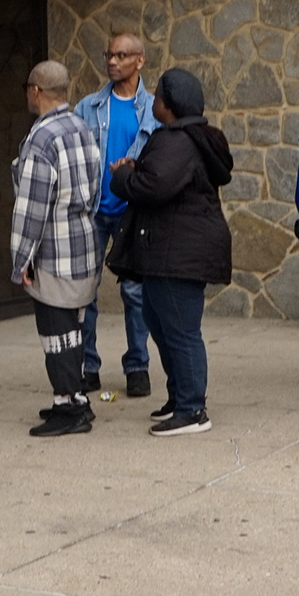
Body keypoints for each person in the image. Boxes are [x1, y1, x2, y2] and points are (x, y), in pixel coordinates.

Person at [108, 68, 233, 436]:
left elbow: (155, 185)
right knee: (159, 321)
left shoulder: (177, 140)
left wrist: (121, 176)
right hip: (170, 248)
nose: (154, 103)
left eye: (158, 97)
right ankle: (180, 396)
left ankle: (193, 409)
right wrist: (136, 168)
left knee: (180, 330)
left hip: (179, 254)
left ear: (171, 104)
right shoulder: (184, 138)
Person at [12, 61, 104, 437]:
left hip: (52, 250)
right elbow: (97, 189)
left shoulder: (41, 138)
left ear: (35, 90)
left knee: (55, 332)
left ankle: (70, 408)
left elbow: (32, 208)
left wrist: (20, 260)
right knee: (75, 330)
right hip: (83, 241)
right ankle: (74, 398)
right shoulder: (82, 128)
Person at [73, 32, 159, 398]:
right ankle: (87, 366)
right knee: (84, 293)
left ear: (140, 60)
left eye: (122, 55)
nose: (112, 61)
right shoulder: (88, 107)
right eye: (109, 54)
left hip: (133, 212)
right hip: (93, 211)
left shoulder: (155, 109)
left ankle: (137, 366)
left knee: (136, 295)